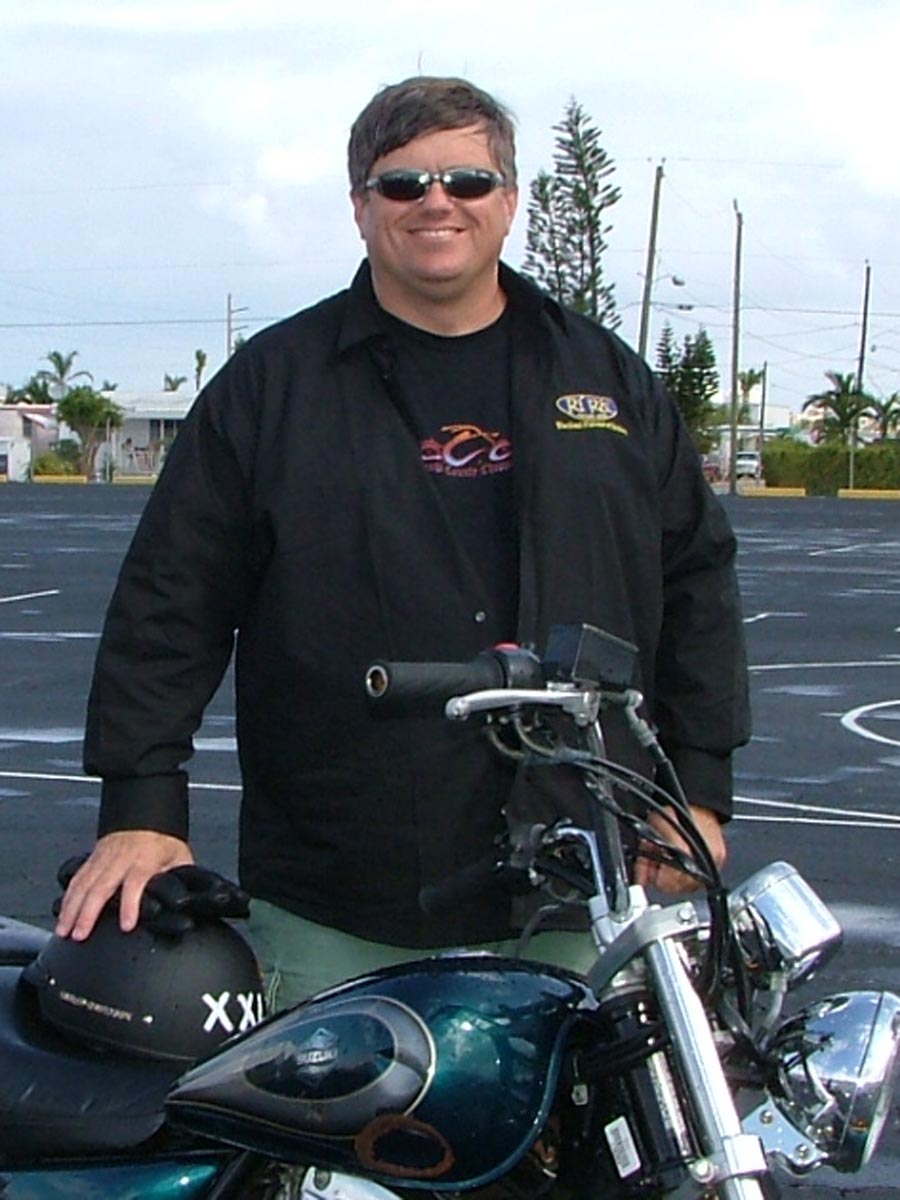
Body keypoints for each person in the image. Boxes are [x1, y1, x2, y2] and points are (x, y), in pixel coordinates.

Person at [56, 76, 749, 1009]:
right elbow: (169, 602)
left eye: (467, 180)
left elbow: (695, 579)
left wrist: (696, 789)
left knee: (596, 1109)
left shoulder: (608, 383)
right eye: (403, 183)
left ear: (509, 200)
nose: (437, 201)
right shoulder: (272, 389)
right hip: (341, 904)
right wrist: (141, 809)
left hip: (585, 888)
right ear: (360, 206)